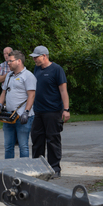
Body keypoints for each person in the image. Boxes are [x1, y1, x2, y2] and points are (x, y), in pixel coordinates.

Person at [30, 46, 70, 178]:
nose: (34, 59)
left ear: (44, 56)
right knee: (37, 140)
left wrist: (66, 109)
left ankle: (55, 168)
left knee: (53, 140)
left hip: (53, 111)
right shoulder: (36, 69)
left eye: (36, 57)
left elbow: (63, 91)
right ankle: (38, 167)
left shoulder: (57, 70)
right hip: (38, 111)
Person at [0, 50, 36, 159]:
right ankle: (9, 171)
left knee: (23, 146)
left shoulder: (28, 76)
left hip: (22, 117)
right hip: (9, 116)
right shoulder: (9, 75)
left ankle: (23, 171)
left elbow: (31, 96)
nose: (8, 63)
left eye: (10, 61)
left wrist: (26, 112)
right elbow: (4, 92)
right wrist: (0, 104)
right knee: (8, 146)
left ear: (18, 61)